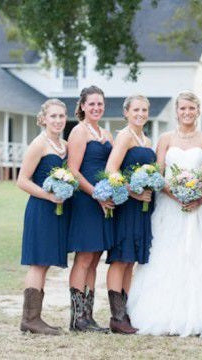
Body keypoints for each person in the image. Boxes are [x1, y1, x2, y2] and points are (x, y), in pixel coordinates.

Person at [127, 91, 202, 337]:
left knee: (197, 256)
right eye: (183, 108)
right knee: (166, 254)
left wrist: (199, 197)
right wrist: (176, 194)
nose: (187, 112)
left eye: (192, 108)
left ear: (198, 111)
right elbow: (158, 173)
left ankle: (199, 315)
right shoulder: (165, 138)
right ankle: (160, 313)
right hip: (169, 205)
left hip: (198, 209)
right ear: (177, 111)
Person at [17, 99, 69, 335]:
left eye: (61, 116)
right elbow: (22, 180)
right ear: (44, 119)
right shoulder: (38, 144)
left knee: (45, 263)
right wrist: (48, 196)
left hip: (56, 212)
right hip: (40, 209)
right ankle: (30, 319)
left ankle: (34, 318)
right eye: (53, 116)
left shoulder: (64, 145)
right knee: (38, 263)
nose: (58, 120)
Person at [105, 94, 155, 334]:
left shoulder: (146, 139)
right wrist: (133, 192)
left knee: (131, 260)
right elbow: (111, 171)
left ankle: (125, 312)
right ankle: (116, 316)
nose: (140, 114)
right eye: (136, 110)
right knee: (120, 259)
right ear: (126, 112)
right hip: (127, 206)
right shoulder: (124, 136)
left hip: (143, 209)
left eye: (144, 110)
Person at [67, 86, 114, 332]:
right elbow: (73, 170)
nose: (96, 107)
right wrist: (95, 193)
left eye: (100, 103)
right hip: (86, 201)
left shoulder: (105, 132)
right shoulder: (78, 131)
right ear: (83, 106)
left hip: (104, 202)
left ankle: (89, 315)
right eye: (92, 104)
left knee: (95, 258)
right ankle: (77, 319)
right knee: (84, 257)